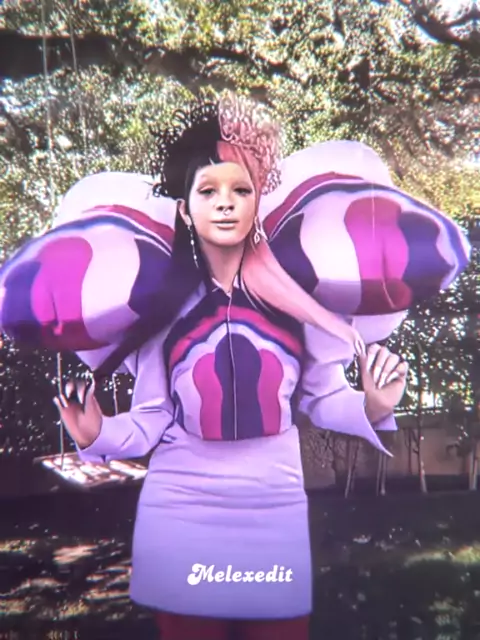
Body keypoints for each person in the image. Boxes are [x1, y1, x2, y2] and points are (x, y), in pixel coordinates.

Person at [51, 95, 411, 640]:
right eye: (208, 191)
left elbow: (322, 398)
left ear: (258, 202)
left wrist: (373, 404)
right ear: (184, 209)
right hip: (181, 512)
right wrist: (95, 433)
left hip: (274, 509)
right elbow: (150, 418)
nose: (225, 204)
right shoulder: (162, 313)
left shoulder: (302, 307)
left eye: (241, 190)